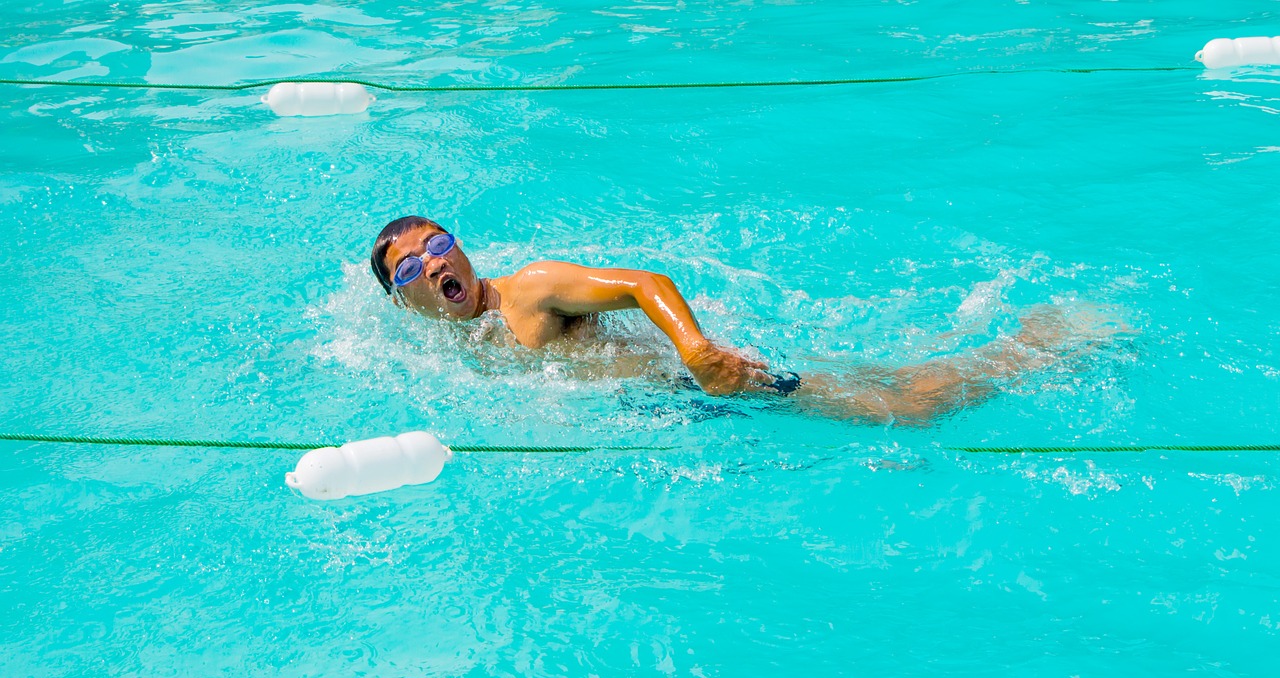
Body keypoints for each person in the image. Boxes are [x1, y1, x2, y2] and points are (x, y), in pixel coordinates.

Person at [370, 215, 1105, 425]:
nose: (433, 263)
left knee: (902, 407)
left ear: (461, 248)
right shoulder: (445, 343)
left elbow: (643, 283)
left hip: (708, 381)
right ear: (407, 300)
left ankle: (1043, 345)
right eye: (410, 267)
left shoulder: (530, 290)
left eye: (439, 244)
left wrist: (696, 350)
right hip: (668, 404)